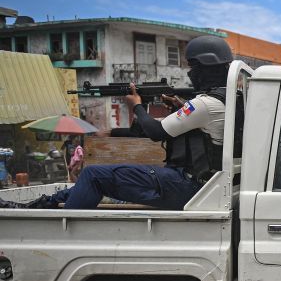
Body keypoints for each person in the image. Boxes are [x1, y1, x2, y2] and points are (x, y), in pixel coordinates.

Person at [0, 35, 232, 210]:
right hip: (203, 184)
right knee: (94, 180)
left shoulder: (204, 103)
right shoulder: (227, 99)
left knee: (93, 175)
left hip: (189, 185)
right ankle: (40, 205)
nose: (191, 73)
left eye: (193, 67)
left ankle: (60, 228)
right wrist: (177, 107)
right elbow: (145, 129)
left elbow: (155, 132)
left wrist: (136, 105)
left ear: (203, 67)